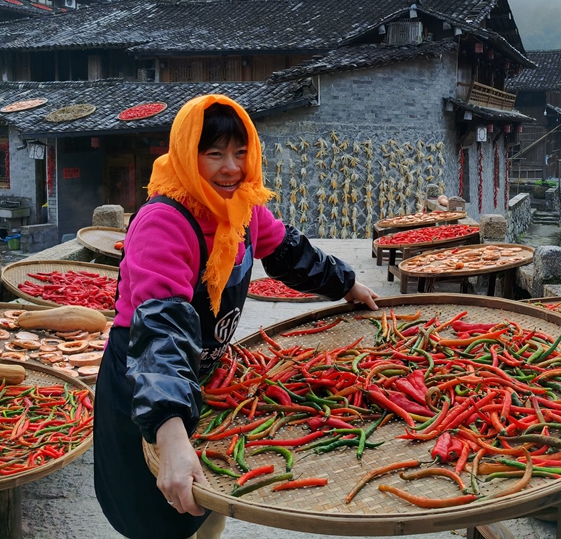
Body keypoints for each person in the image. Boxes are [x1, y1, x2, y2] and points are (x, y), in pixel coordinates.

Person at [94, 95, 379, 539]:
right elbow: (161, 329)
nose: (232, 167)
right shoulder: (164, 222)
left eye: (240, 153)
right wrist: (168, 433)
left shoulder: (241, 208)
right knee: (156, 509)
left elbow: (289, 252)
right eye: (214, 154)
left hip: (205, 374)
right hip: (146, 382)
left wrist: (346, 284)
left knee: (212, 495)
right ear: (189, 154)